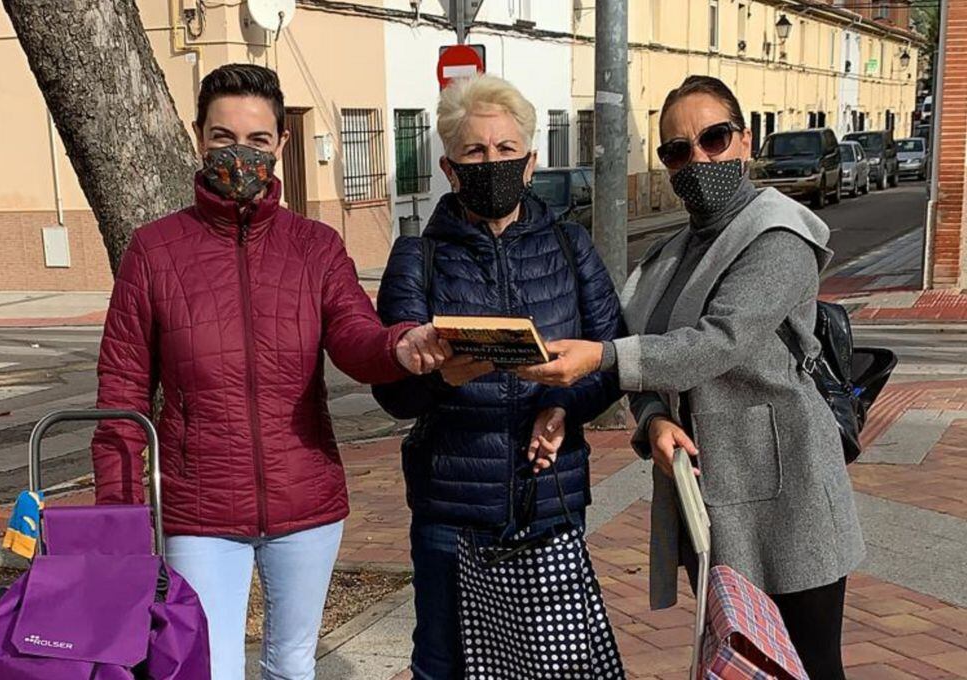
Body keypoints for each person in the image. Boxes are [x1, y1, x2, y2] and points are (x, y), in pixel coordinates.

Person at [91, 63, 448, 680]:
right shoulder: (154, 250)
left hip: (305, 500)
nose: (240, 154)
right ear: (197, 137)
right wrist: (119, 515)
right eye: (223, 137)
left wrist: (399, 346)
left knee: (291, 663)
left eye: (258, 140)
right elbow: (122, 393)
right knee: (211, 668)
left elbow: (354, 338)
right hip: (200, 510)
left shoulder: (316, 246)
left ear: (281, 144)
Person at [518, 75, 864, 680]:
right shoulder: (673, 250)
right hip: (714, 494)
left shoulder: (780, 233)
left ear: (745, 142)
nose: (697, 158)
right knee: (740, 660)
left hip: (790, 494)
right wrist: (651, 420)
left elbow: (715, 345)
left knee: (809, 665)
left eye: (714, 138)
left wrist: (601, 357)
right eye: (677, 150)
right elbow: (653, 349)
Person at [371, 73, 626, 680]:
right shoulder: (418, 257)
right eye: (475, 152)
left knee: (551, 664)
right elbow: (393, 391)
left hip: (549, 498)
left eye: (506, 150)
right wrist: (441, 376)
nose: (493, 162)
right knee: (443, 665)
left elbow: (611, 358)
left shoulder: (571, 245)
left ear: (531, 161)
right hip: (451, 505)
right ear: (449, 168)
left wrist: (565, 408)